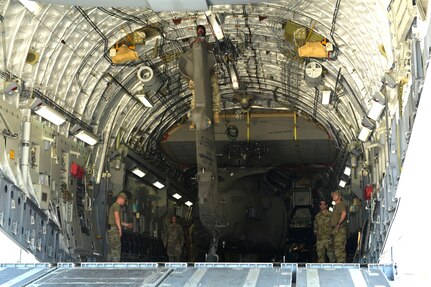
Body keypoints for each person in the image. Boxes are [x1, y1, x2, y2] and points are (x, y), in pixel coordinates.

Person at [107, 191, 132, 262]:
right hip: (114, 230)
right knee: (116, 248)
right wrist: (120, 229)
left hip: (112, 229)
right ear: (120, 198)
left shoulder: (114, 205)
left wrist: (126, 225)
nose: (124, 203)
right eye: (124, 201)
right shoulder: (117, 206)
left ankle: (110, 265)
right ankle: (115, 266)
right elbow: (116, 217)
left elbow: (117, 220)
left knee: (112, 249)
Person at [330, 190, 347, 262]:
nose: (333, 195)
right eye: (333, 194)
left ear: (340, 197)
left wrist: (338, 224)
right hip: (336, 231)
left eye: (335, 195)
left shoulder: (340, 204)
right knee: (337, 251)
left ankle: (342, 268)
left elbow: (344, 213)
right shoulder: (336, 206)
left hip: (340, 230)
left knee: (339, 251)